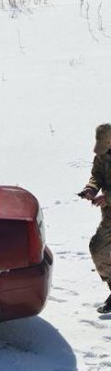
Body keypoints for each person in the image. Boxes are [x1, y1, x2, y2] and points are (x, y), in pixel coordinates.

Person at [79, 123, 111, 313]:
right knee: (98, 248)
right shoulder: (102, 155)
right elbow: (96, 175)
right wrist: (90, 189)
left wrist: (107, 198)